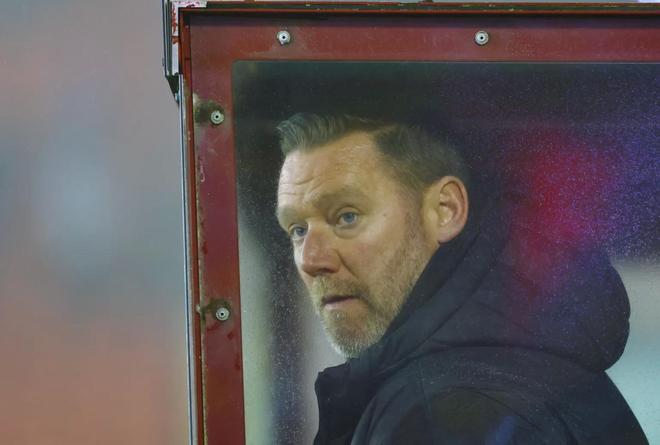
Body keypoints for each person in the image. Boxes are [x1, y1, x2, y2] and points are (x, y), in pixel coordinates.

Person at [275, 113, 647, 444]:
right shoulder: (529, 370)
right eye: (297, 229)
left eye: (347, 217)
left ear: (445, 210)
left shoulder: (443, 415)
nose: (310, 259)